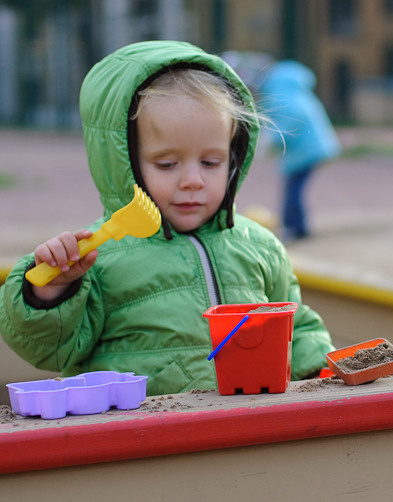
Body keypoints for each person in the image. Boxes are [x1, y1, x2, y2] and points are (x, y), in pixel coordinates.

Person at [0, 41, 334, 396]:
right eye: (167, 164)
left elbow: (295, 328)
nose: (192, 180)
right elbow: (48, 348)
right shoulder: (95, 257)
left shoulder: (261, 245)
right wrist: (52, 290)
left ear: (234, 157)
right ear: (122, 161)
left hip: (248, 434)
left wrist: (320, 366)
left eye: (210, 162)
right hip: (141, 441)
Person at [257, 60, 341, 241]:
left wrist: (271, 139)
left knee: (293, 189)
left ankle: (294, 227)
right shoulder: (295, 93)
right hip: (309, 150)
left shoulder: (286, 97)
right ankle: (296, 225)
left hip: (305, 152)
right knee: (294, 188)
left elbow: (288, 124)